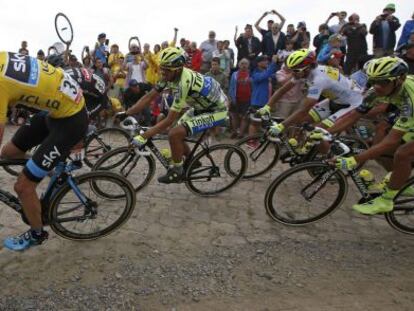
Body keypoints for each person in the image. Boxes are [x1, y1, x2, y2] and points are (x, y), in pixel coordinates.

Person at [0, 51, 88, 251]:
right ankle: (49, 169)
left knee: (23, 186)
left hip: (71, 121)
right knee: (8, 153)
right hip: (53, 111)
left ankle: (37, 234)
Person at [117, 47, 228, 183]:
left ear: (177, 69)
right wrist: (126, 112)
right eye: (162, 68)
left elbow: (169, 119)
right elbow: (148, 97)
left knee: (174, 133)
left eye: (166, 69)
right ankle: (192, 161)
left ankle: (177, 171)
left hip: (217, 110)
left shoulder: (183, 82)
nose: (163, 72)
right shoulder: (169, 76)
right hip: (201, 106)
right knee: (176, 133)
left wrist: (144, 136)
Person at [333, 57, 412, 215]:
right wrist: (326, 132)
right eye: (373, 80)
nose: (377, 86)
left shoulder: (410, 98)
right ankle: (404, 183)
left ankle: (386, 200)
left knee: (403, 153)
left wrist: (354, 160)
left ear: (400, 79)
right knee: (382, 151)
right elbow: (354, 114)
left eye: (383, 82)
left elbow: (391, 141)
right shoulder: (374, 91)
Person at [257, 49, 363, 133]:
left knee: (319, 132)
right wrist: (267, 107)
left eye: (295, 71)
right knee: (300, 122)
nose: (293, 74)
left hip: (353, 104)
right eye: (291, 70)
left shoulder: (319, 79)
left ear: (307, 68)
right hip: (336, 100)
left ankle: (328, 159)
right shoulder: (303, 72)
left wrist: (281, 126)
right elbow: (282, 90)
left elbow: (304, 109)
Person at [228, 59, 251, 138]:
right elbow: (231, 87)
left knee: (245, 117)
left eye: (245, 63)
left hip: (247, 99)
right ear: (239, 65)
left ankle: (241, 133)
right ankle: (234, 131)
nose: (244, 65)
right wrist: (230, 98)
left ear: (248, 65)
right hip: (236, 99)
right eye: (242, 63)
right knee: (234, 116)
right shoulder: (234, 74)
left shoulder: (251, 74)